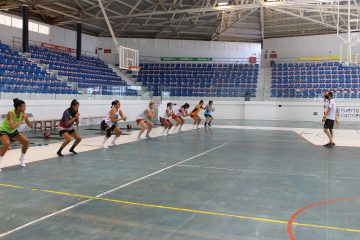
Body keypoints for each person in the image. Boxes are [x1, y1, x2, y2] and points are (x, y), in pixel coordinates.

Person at [0, 98, 33, 171]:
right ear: (18, 107)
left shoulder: (23, 114)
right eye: (24, 106)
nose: (25, 108)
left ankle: (22, 158)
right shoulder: (11, 113)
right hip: (3, 130)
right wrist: (22, 120)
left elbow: (31, 126)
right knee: (6, 143)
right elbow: (12, 126)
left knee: (26, 141)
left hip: (12, 131)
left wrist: (27, 119)